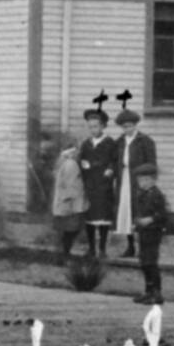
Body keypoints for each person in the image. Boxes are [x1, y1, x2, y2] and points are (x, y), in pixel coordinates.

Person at [112, 110, 155, 259]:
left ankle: (144, 249)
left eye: (130, 126)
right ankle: (130, 247)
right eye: (124, 127)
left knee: (140, 211)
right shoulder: (119, 142)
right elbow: (114, 161)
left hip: (138, 182)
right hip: (124, 181)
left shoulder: (145, 141)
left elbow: (151, 165)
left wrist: (147, 182)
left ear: (135, 125)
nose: (127, 129)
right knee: (126, 212)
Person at [76, 109, 118, 257]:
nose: (93, 130)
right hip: (90, 184)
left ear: (103, 126)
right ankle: (92, 248)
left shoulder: (109, 143)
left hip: (104, 185)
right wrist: (82, 163)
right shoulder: (86, 144)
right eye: (90, 127)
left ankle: (102, 248)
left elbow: (115, 161)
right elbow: (81, 159)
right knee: (90, 217)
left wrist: (111, 169)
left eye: (96, 126)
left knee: (103, 217)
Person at [131, 163, 171, 305]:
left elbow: (163, 215)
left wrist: (151, 219)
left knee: (151, 262)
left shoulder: (157, 195)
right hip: (143, 232)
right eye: (139, 180)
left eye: (144, 180)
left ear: (152, 180)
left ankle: (157, 292)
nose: (141, 183)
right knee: (144, 263)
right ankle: (148, 291)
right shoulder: (142, 195)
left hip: (153, 232)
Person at [51, 142, 85, 262]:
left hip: (63, 201)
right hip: (70, 203)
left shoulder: (62, 162)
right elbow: (71, 184)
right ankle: (64, 255)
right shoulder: (71, 164)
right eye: (74, 151)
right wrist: (70, 200)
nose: (77, 153)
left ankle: (62, 254)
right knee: (70, 230)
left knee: (65, 230)